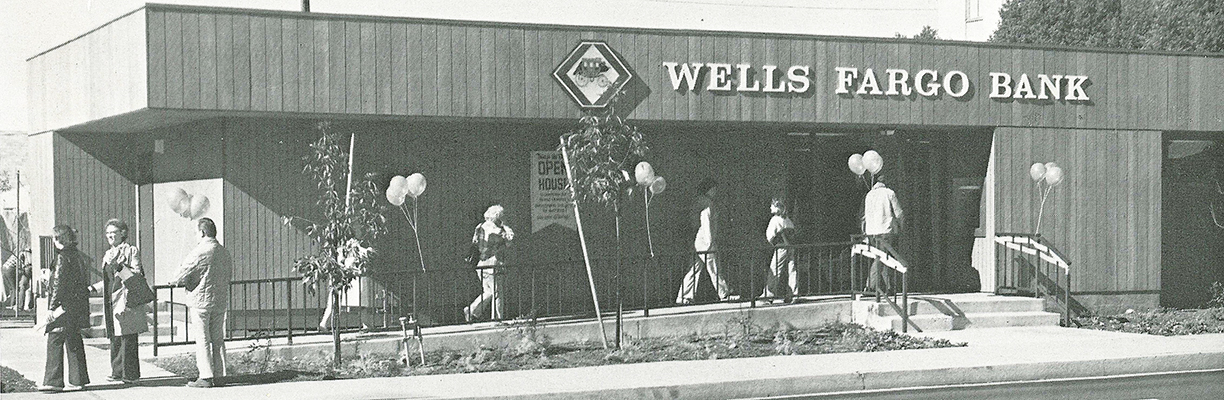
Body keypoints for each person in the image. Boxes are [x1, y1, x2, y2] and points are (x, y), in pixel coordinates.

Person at [170, 218, 232, 388]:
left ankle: (206, 376)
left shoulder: (200, 251)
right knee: (218, 339)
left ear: (202, 232)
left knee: (202, 338)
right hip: (219, 300)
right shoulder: (224, 251)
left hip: (201, 301)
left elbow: (183, 271)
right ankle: (221, 375)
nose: (195, 236)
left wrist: (174, 280)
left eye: (196, 232)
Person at [94, 219, 148, 384]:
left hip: (126, 299)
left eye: (114, 232)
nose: (110, 236)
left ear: (123, 233)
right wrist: (93, 288)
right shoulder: (107, 253)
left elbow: (137, 275)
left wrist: (119, 267)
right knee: (115, 336)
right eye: (108, 233)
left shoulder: (131, 251)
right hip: (111, 300)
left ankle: (130, 374)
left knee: (128, 336)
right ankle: (117, 371)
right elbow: (107, 280)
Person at [38, 225, 91, 392]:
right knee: (73, 340)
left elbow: (58, 284)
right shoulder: (77, 256)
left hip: (61, 306)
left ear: (57, 239)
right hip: (75, 305)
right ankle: (78, 380)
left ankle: (53, 380)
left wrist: (51, 308)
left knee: (55, 339)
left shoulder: (61, 257)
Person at [676, 179, 738, 304]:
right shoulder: (707, 204)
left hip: (699, 241)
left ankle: (683, 296)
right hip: (705, 241)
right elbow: (706, 222)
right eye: (713, 189)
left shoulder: (699, 201)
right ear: (708, 189)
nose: (715, 192)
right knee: (714, 268)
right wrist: (710, 242)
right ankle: (724, 294)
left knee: (694, 268)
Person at [463, 205, 513, 322]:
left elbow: (475, 243)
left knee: (489, 292)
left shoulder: (480, 227)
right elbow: (510, 240)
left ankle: (471, 309)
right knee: (497, 294)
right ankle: (497, 319)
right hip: (494, 264)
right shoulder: (497, 230)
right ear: (498, 216)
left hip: (481, 264)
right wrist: (505, 225)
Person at [862, 177, 904, 296]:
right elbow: (899, 213)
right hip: (885, 230)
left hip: (871, 232)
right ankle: (869, 286)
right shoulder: (889, 193)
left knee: (882, 257)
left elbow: (865, 215)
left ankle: (889, 287)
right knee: (880, 258)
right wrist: (901, 227)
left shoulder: (869, 195)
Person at [759, 198, 798, 304]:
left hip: (781, 247)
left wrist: (773, 243)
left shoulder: (775, 220)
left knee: (775, 270)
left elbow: (770, 235)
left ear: (777, 207)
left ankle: (768, 295)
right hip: (790, 246)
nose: (770, 207)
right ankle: (794, 294)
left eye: (772, 205)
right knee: (792, 269)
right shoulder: (787, 220)